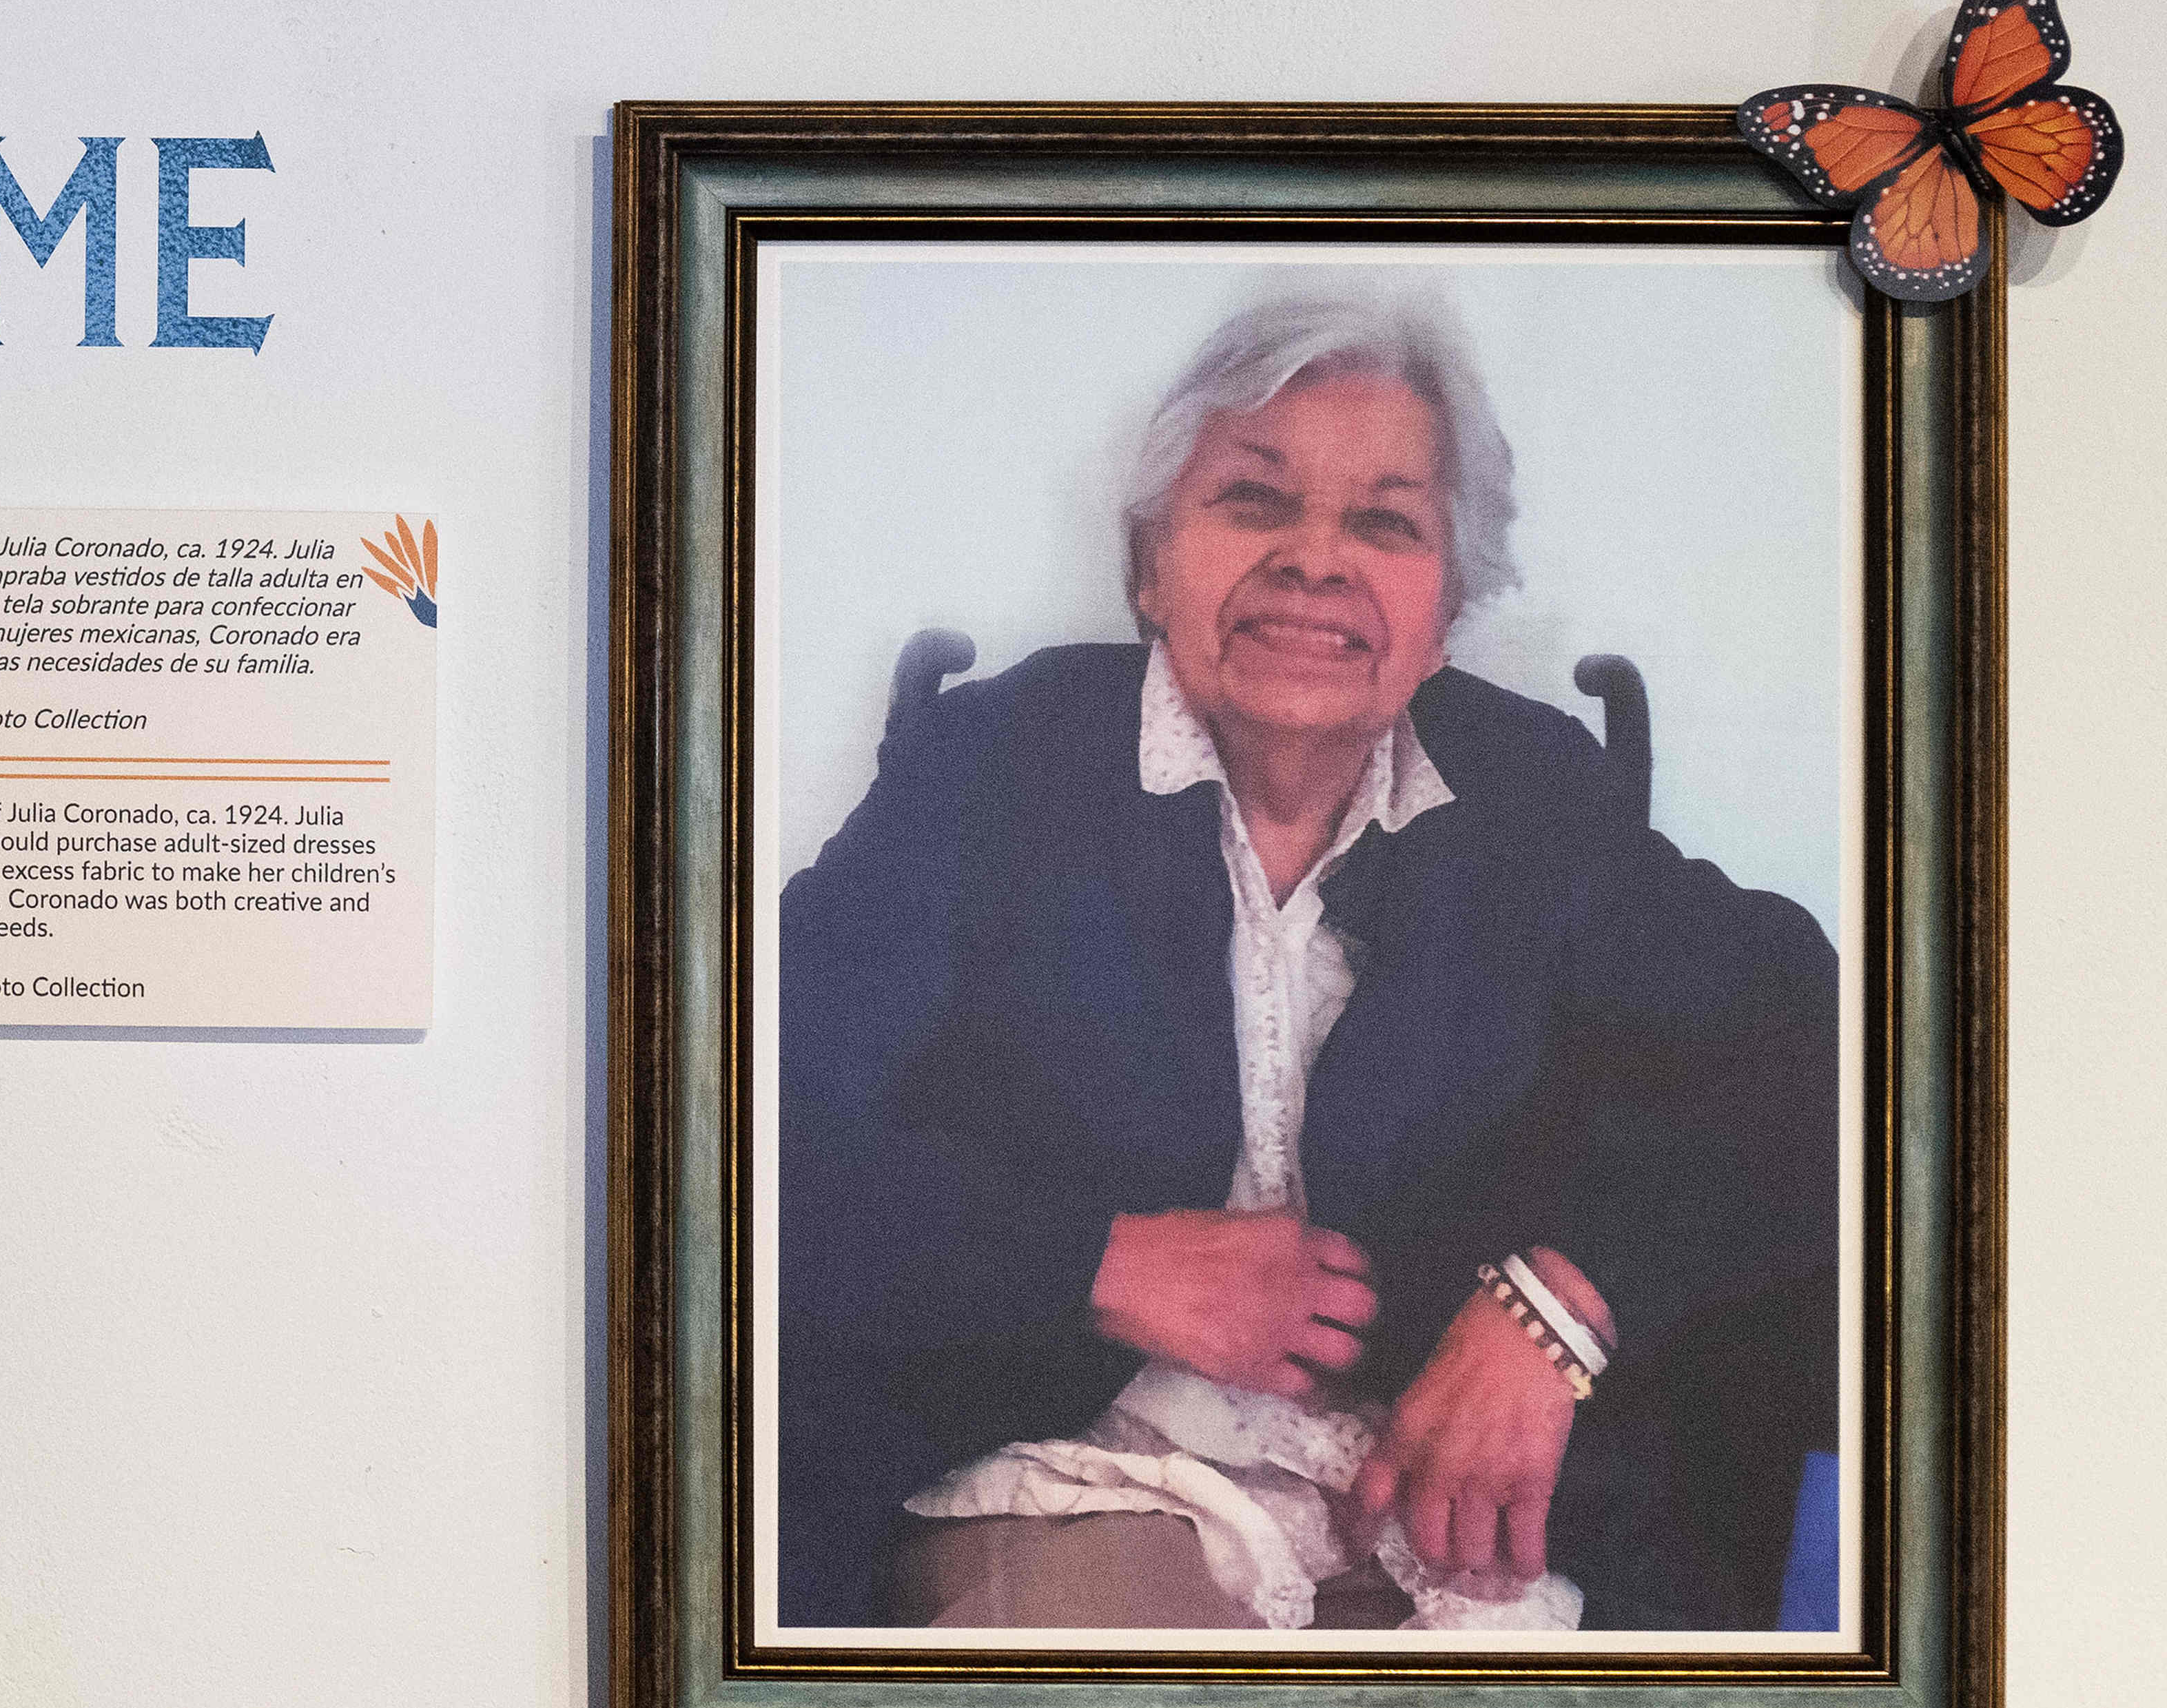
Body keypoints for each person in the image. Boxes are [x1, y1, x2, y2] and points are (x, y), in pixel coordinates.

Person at [770, 287, 1838, 1633]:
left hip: (1443, 1527)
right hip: (1077, 1486)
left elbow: (1824, 1054)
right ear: (1151, 563)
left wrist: (1560, 1308)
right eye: (1254, 502)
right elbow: (737, 1118)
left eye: (1384, 521)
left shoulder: (1532, 801)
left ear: (1446, 609)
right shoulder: (998, 767)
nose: (1314, 561)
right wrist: (1094, 1264)